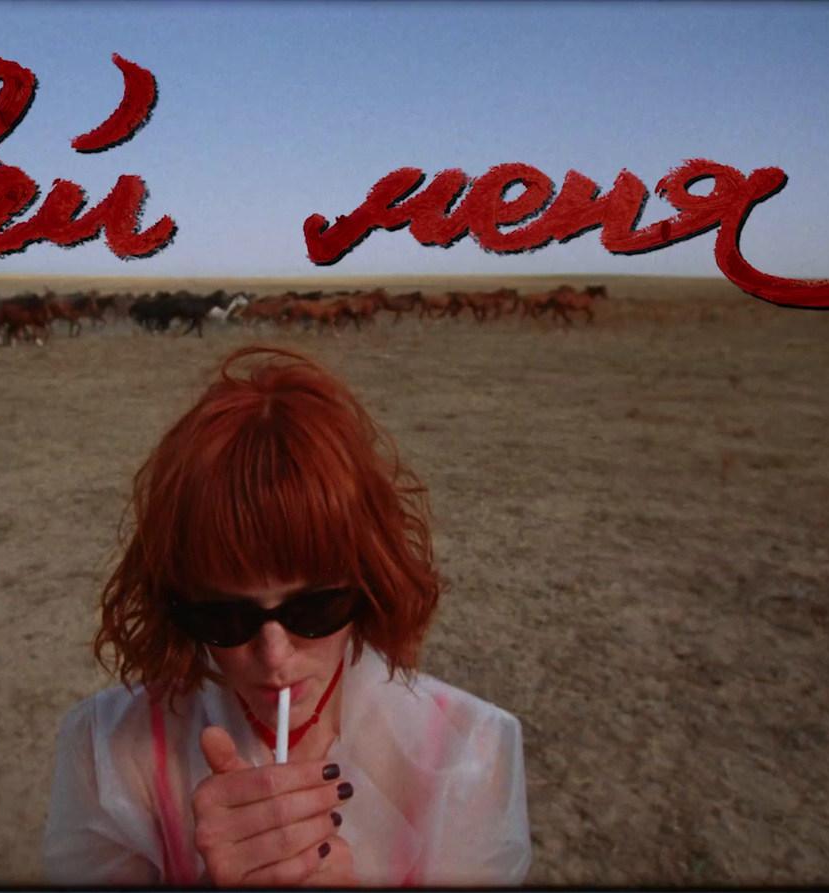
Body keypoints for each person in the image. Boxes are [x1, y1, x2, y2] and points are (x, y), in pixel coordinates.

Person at [43, 345, 530, 886]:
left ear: (370, 581)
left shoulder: (469, 753)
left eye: (315, 606)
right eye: (224, 617)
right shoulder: (109, 750)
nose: (274, 656)